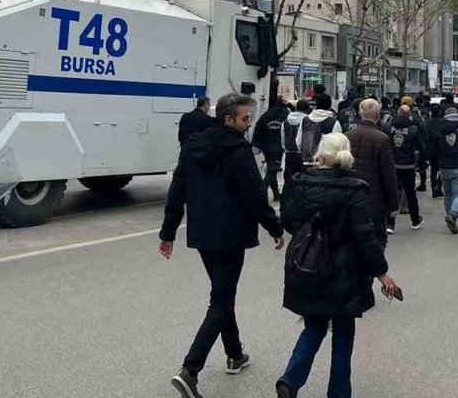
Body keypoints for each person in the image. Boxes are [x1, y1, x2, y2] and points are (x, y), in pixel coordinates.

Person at [160, 93, 285, 398]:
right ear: (228, 120)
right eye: (245, 118)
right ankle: (190, 370)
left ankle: (234, 354)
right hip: (231, 235)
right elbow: (255, 196)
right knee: (220, 301)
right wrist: (274, 227)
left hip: (202, 234)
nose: (249, 123)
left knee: (222, 294)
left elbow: (177, 190)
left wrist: (168, 232)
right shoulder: (238, 151)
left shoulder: (192, 146)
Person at [275, 133, 401, 398]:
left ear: (320, 154)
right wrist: (382, 273)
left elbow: (288, 221)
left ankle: (290, 379)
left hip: (308, 263)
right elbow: (366, 237)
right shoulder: (354, 189)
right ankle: (339, 392)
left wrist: (310, 234)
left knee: (313, 327)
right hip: (345, 270)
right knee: (343, 334)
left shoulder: (298, 182)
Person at [345, 98, 400, 242]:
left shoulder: (347, 137)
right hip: (375, 198)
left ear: (360, 113)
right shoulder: (382, 139)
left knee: (353, 240)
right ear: (377, 114)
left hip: (351, 196)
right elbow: (388, 174)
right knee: (376, 240)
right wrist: (393, 203)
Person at [431, 103, 458, 234]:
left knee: (448, 194)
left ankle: (450, 215)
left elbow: (434, 147)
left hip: (444, 166)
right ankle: (453, 214)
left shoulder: (439, 128)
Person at [389, 105, 424, 230]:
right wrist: (421, 164)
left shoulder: (388, 127)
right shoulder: (413, 129)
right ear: (409, 115)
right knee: (411, 194)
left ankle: (390, 223)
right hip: (408, 165)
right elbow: (421, 147)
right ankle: (415, 220)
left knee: (392, 193)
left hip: (392, 164)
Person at [253, 97, 290, 202]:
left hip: (266, 147)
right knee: (272, 171)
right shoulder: (285, 115)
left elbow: (258, 129)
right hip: (278, 147)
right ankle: (260, 192)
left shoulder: (266, 115)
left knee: (271, 169)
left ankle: (276, 194)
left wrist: (257, 143)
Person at [281, 100, 311, 186]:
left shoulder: (286, 120)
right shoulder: (308, 121)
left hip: (289, 153)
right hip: (302, 155)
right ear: (307, 109)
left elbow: (282, 136)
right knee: (301, 180)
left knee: (288, 178)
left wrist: (285, 149)